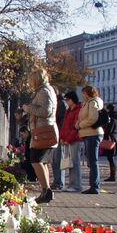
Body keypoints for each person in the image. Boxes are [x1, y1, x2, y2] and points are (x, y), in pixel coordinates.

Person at [21, 67, 59, 204]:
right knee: (41, 161)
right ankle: (46, 190)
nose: (30, 84)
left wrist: (28, 108)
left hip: (43, 132)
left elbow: (46, 111)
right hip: (43, 131)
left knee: (36, 160)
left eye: (31, 81)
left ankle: (46, 190)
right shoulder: (45, 90)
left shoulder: (44, 91)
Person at [77, 84, 105, 194]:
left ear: (87, 93)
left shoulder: (93, 103)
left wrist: (80, 124)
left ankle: (94, 186)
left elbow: (92, 118)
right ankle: (94, 184)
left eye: (83, 93)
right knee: (91, 160)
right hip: (88, 133)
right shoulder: (88, 103)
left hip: (92, 133)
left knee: (93, 161)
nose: (82, 95)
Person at [58, 90, 83, 193]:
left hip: (74, 139)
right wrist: (62, 137)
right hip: (67, 140)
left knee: (75, 162)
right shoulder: (69, 110)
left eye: (68, 100)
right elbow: (65, 126)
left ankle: (76, 185)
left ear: (73, 100)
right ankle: (71, 184)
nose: (66, 102)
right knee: (69, 163)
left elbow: (75, 127)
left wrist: (68, 139)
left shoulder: (78, 110)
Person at [101, 103, 117, 181]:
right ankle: (112, 176)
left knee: (111, 158)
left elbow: (109, 130)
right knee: (111, 158)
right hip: (114, 139)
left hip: (110, 140)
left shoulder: (112, 119)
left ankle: (112, 176)